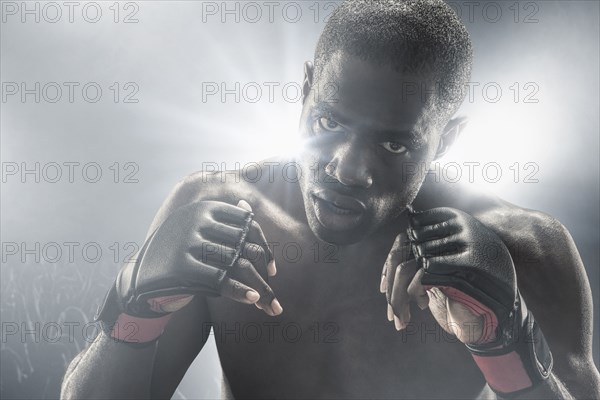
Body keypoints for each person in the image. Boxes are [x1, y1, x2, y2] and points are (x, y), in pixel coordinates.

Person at [61, 0, 600, 398]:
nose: (346, 168)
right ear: (304, 91)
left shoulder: (523, 245)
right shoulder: (218, 208)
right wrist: (135, 306)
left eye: (393, 142)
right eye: (329, 120)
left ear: (446, 139)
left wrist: (504, 346)